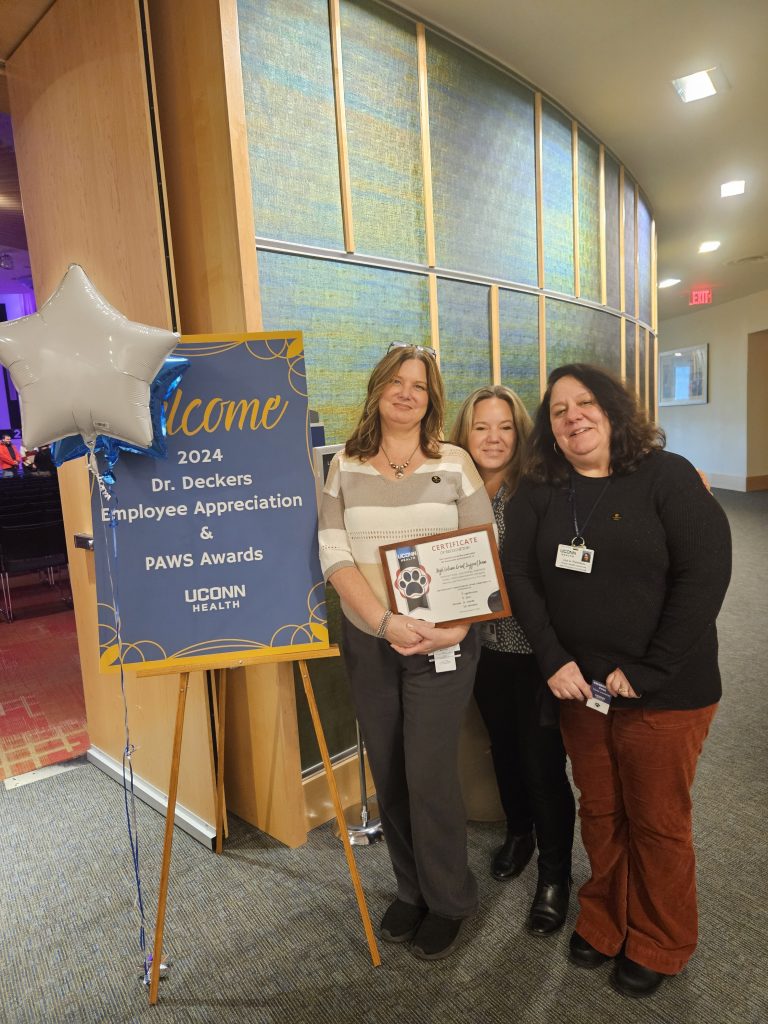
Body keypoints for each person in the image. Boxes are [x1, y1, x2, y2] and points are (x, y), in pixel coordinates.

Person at [503, 363, 731, 998]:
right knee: (601, 810)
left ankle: (660, 937)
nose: (573, 416)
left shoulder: (669, 475)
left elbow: (706, 575)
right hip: (584, 689)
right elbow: (518, 573)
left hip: (666, 689)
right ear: (548, 428)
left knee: (656, 818)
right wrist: (552, 659)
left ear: (612, 409)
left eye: (586, 403)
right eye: (558, 410)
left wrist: (651, 669)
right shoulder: (539, 488)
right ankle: (606, 919)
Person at [318, 343, 494, 961]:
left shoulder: (456, 464)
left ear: (431, 398)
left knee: (428, 773)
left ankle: (449, 899)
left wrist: (452, 629)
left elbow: (481, 555)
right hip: (372, 642)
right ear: (377, 390)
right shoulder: (345, 464)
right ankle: (411, 888)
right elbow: (335, 557)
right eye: (395, 381)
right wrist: (384, 622)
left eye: (418, 385)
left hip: (445, 645)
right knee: (389, 770)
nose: (406, 393)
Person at [449, 386, 576, 935]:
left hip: (539, 653)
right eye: (481, 427)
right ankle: (518, 833)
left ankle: (555, 874)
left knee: (544, 762)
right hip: (484, 649)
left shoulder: (545, 490)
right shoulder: (451, 491)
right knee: (501, 748)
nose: (493, 438)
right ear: (465, 434)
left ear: (520, 433)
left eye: (504, 427)